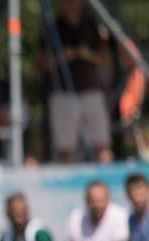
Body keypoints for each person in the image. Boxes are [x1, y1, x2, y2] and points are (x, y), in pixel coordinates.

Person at [44, 0, 113, 163]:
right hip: (64, 94)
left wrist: (87, 54)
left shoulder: (92, 26)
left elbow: (105, 59)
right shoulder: (53, 28)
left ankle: (107, 183)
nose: (71, 4)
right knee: (65, 147)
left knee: (101, 144)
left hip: (91, 91)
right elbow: (40, 63)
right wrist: (62, 57)